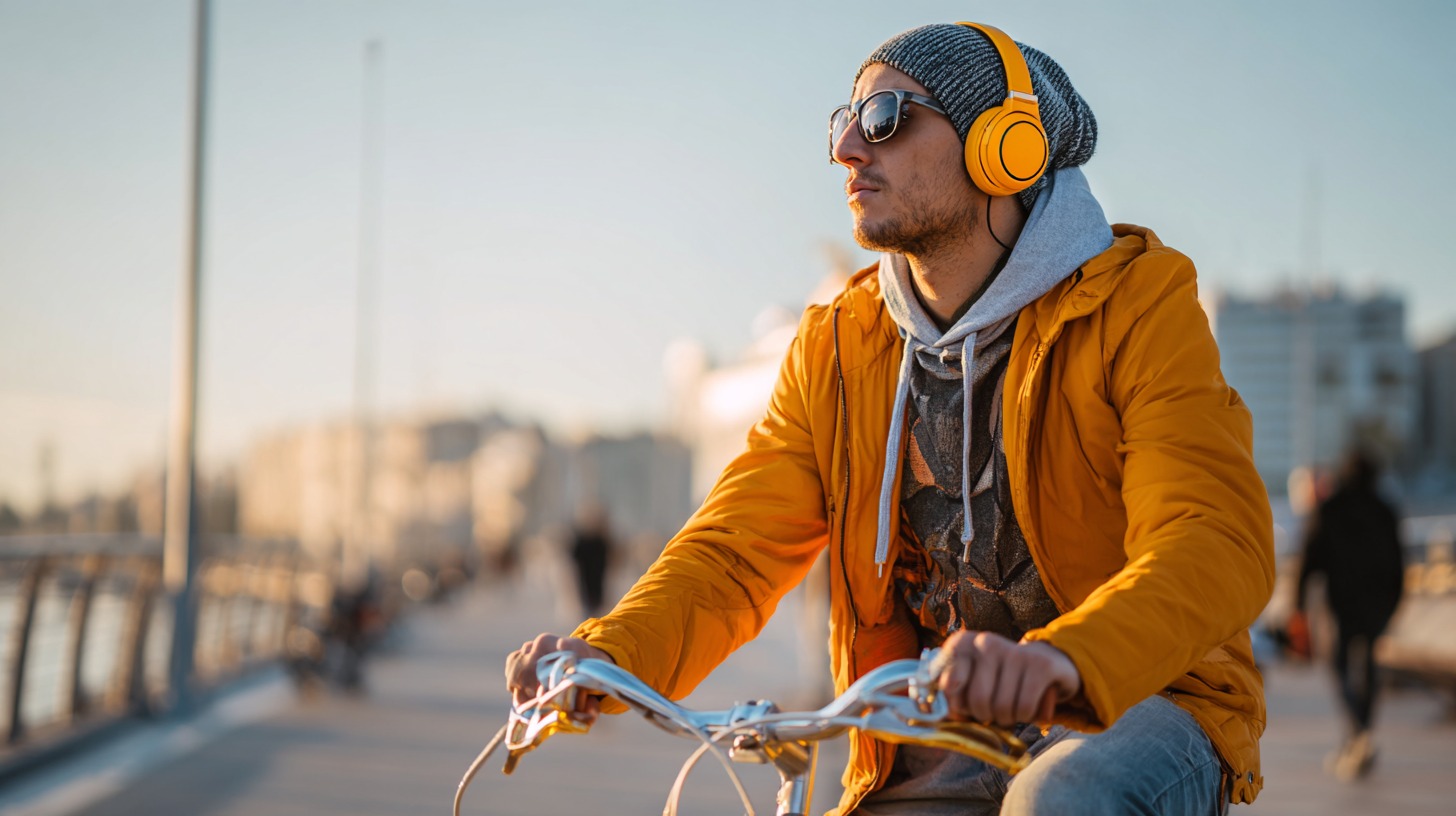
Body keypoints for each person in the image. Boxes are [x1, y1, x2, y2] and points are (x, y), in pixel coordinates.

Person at [506, 21, 1274, 815]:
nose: (847, 150)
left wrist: (1064, 661)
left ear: (1000, 146)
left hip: (1140, 702)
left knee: (1063, 798)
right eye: (843, 123)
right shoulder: (838, 346)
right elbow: (735, 551)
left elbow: (1213, 536)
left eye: (885, 120)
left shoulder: (1136, 304)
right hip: (943, 731)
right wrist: (610, 653)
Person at [1295, 449, 1405, 780]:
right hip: (1376, 603)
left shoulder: (1330, 508)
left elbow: (1309, 559)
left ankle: (1357, 729)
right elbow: (1398, 562)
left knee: (1340, 664)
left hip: (1341, 602)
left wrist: (1298, 604)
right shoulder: (1385, 510)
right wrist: (1394, 602)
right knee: (1369, 663)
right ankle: (1362, 729)